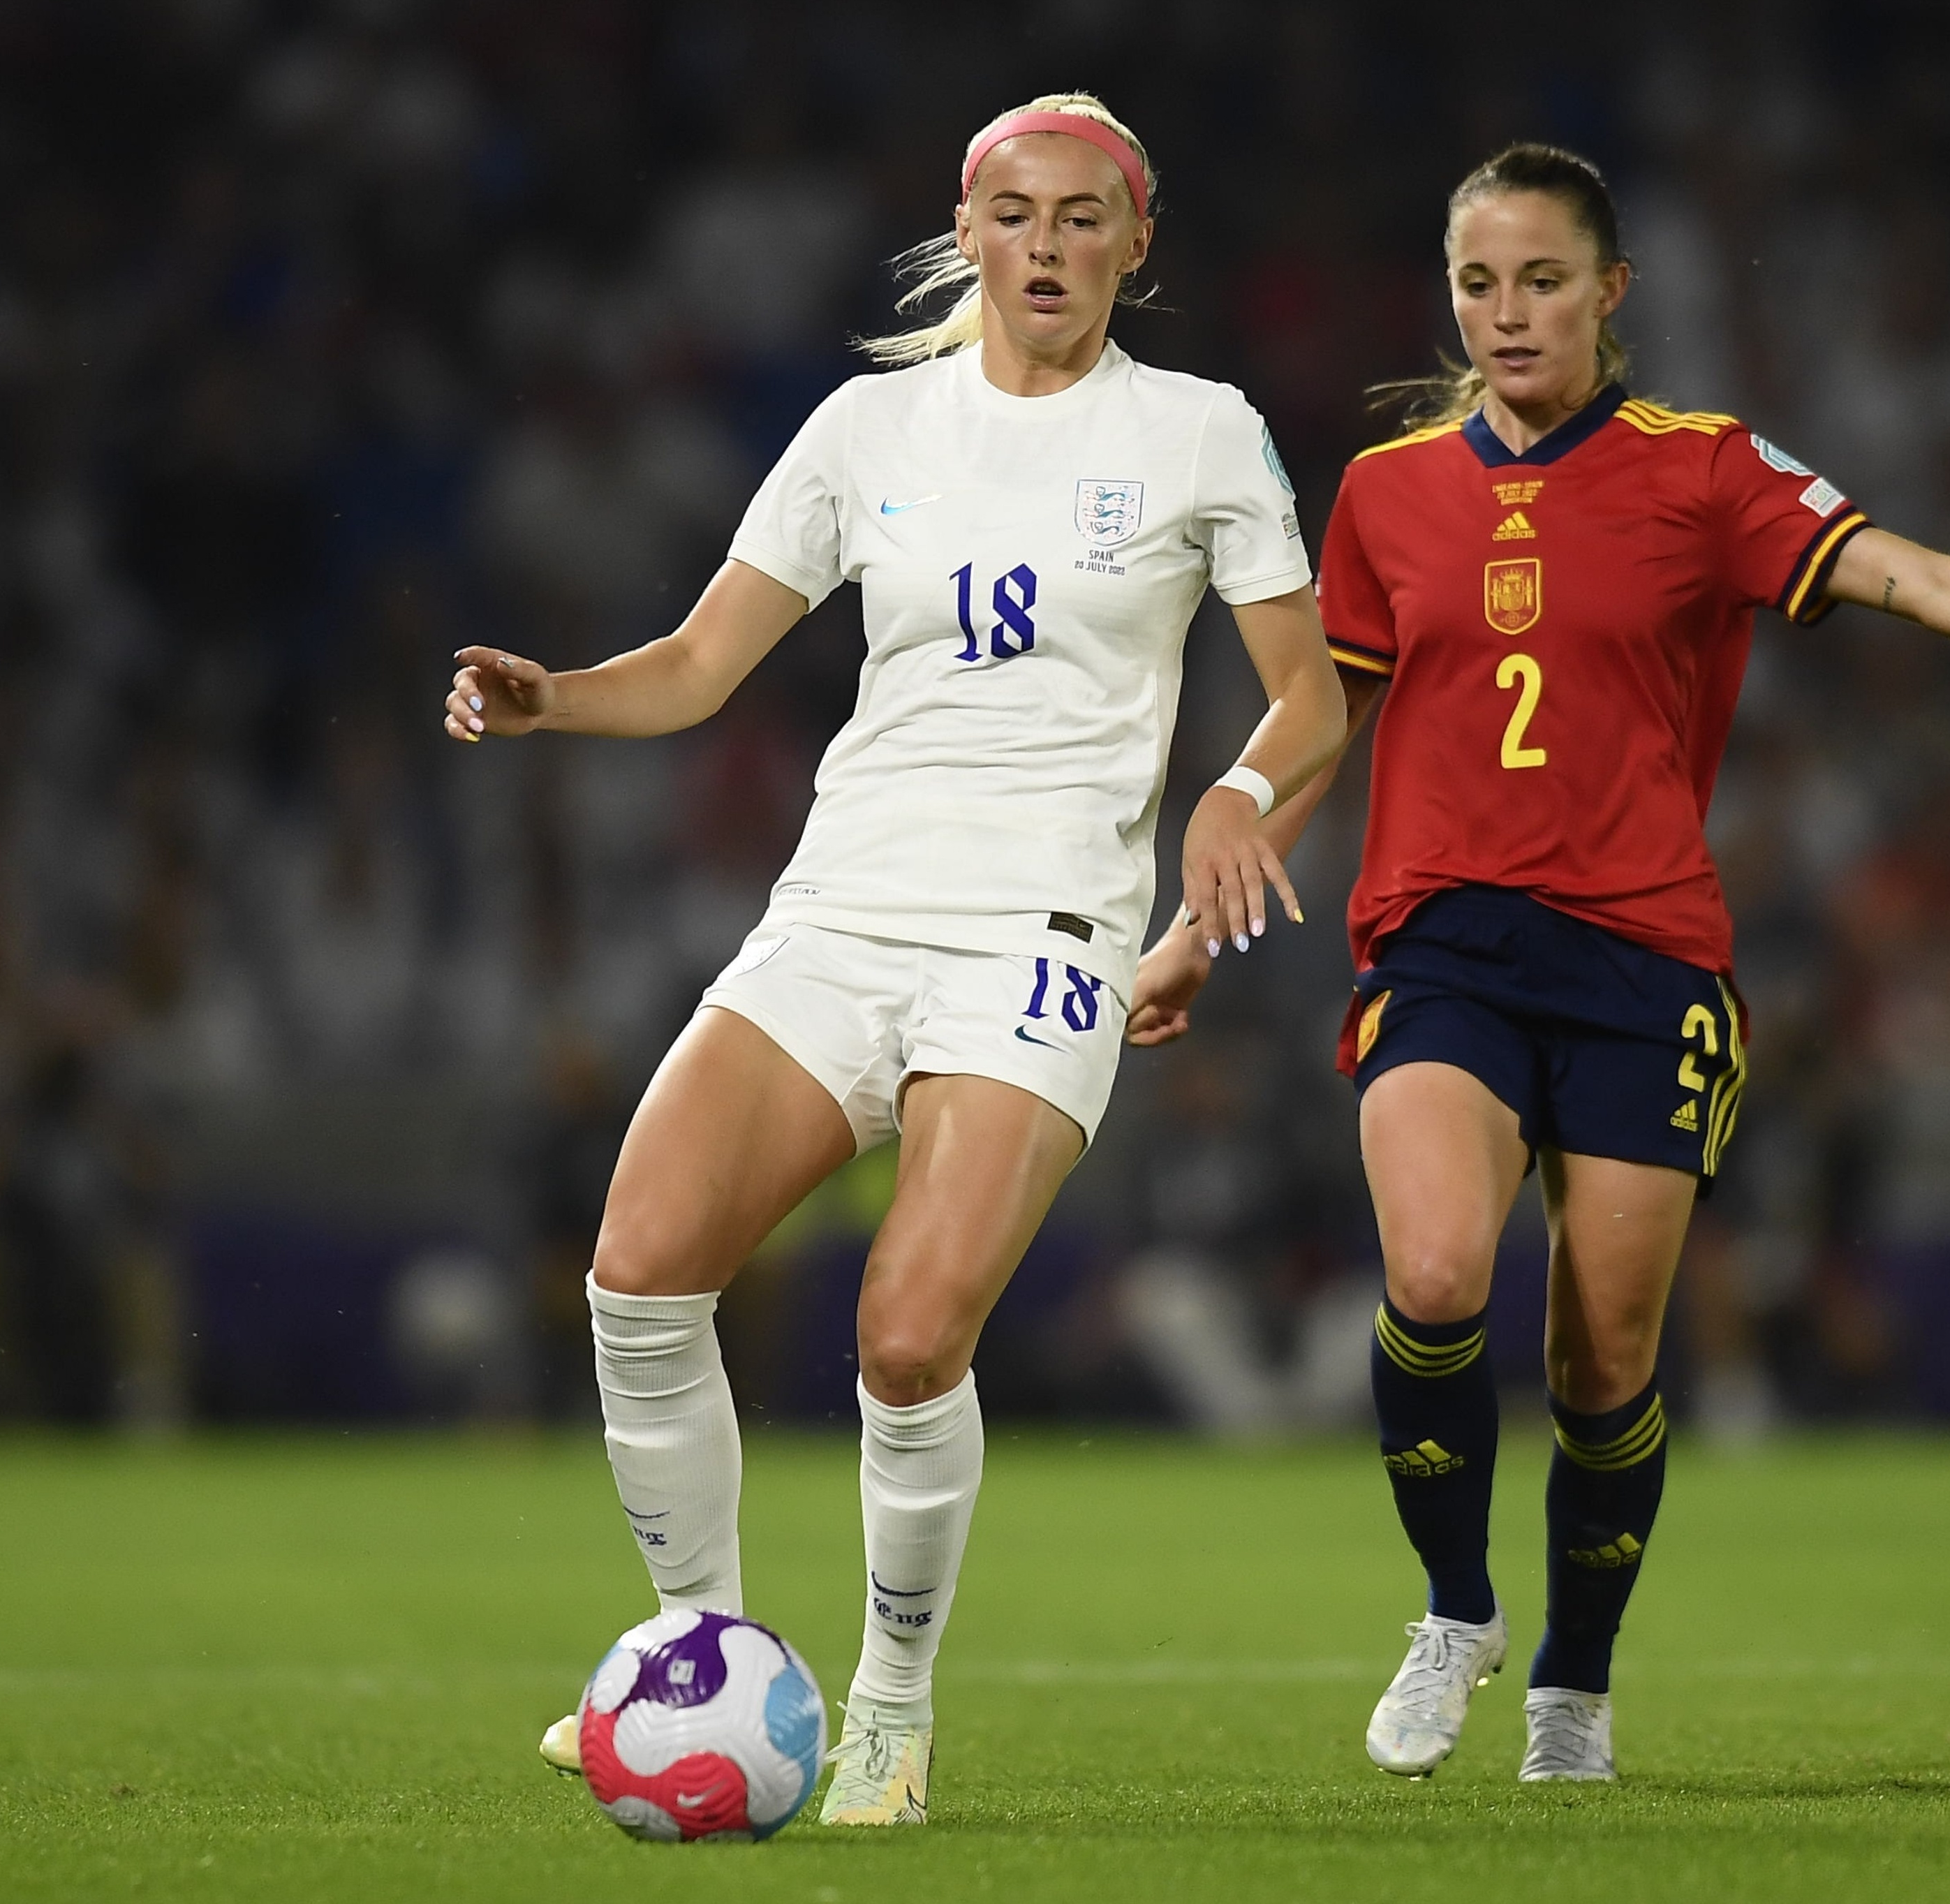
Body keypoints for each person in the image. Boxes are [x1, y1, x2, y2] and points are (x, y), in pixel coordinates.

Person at [1128, 143, 1950, 1783]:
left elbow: (1913, 574)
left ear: (1611, 292)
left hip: (1644, 957)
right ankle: (1456, 1606)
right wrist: (1199, 919)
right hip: (1445, 940)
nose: (1507, 313)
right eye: (1479, 282)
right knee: (1431, 1274)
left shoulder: (1704, 472)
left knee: (1606, 1358)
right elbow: (1321, 716)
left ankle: (1576, 1680)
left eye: (1543, 279)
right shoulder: (1389, 490)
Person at [445, 94, 1344, 1826]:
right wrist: (557, 694)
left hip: (1042, 928)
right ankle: (699, 1658)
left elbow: (1310, 693)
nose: (1051, 248)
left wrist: (1237, 793)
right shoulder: (868, 428)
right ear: (969, 231)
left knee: (912, 1335)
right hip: (845, 909)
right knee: (636, 1268)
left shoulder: (1202, 433)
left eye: (1088, 219)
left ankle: (890, 1708)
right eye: (1018, 215)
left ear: (1137, 244)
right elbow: (704, 665)